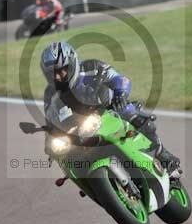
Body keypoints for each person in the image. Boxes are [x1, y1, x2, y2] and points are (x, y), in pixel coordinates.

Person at [40, 41, 182, 177]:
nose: (58, 77)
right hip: (81, 129)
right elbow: (50, 120)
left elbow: (120, 79)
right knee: (66, 157)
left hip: (110, 110)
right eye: (52, 74)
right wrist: (50, 140)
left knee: (129, 111)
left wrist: (120, 94)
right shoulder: (50, 94)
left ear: (72, 63)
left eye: (62, 71)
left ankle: (162, 154)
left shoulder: (92, 67)